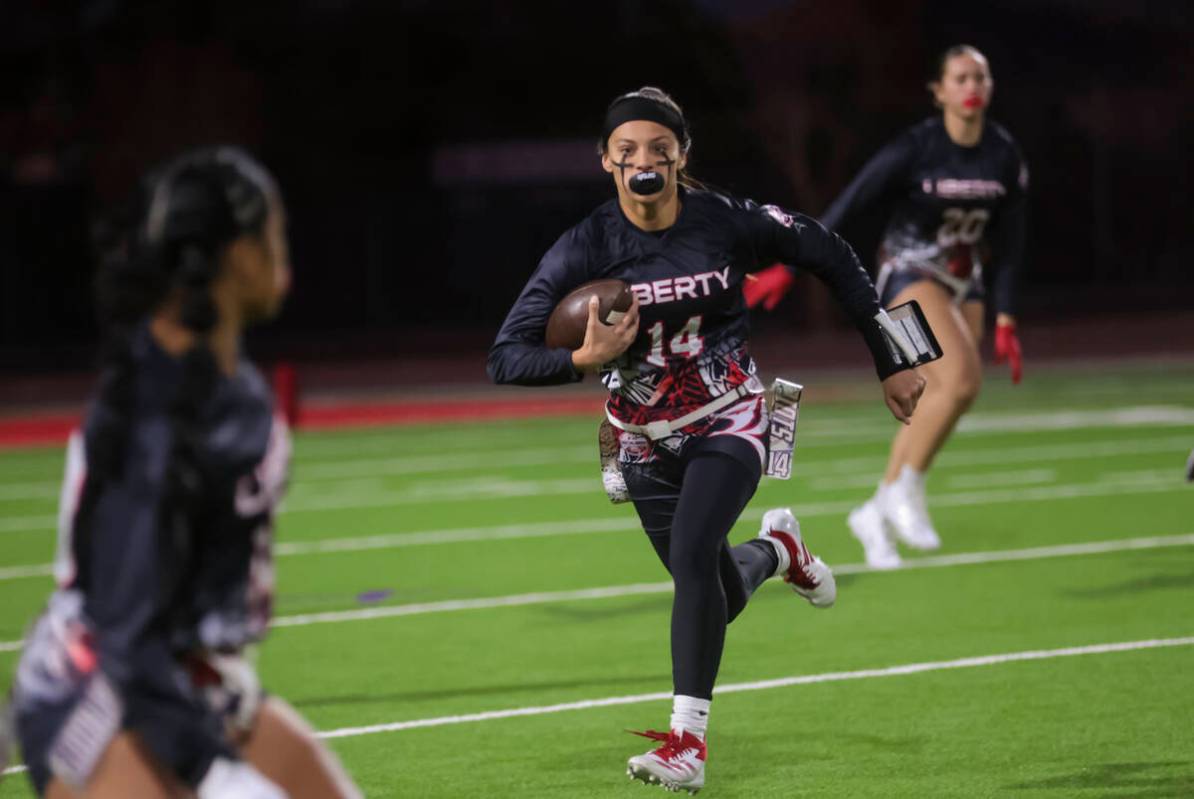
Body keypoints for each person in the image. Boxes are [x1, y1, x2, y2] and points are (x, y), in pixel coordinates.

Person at [488, 87, 925, 794]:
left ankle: (687, 744)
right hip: (639, 441)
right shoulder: (587, 244)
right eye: (626, 150)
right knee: (716, 586)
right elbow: (504, 355)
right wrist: (580, 359)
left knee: (693, 553)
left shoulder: (724, 220)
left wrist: (896, 356)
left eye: (659, 148)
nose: (643, 162)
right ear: (606, 160)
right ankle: (779, 550)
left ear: (681, 155)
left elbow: (832, 253)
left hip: (731, 412)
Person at [6, 147, 361, 799]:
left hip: (193, 676)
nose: (285, 251)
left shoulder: (226, 386)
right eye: (275, 232)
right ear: (239, 253)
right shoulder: (159, 414)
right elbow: (122, 628)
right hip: (102, 687)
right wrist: (211, 771)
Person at [746, 44, 1029, 569]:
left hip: (967, 284)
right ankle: (904, 490)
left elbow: (1011, 238)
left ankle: (876, 509)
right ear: (939, 90)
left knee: (939, 397)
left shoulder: (1003, 153)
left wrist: (1006, 314)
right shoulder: (917, 148)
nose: (971, 86)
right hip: (908, 273)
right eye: (960, 77)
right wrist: (791, 263)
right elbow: (850, 204)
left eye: (980, 77)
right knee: (961, 382)